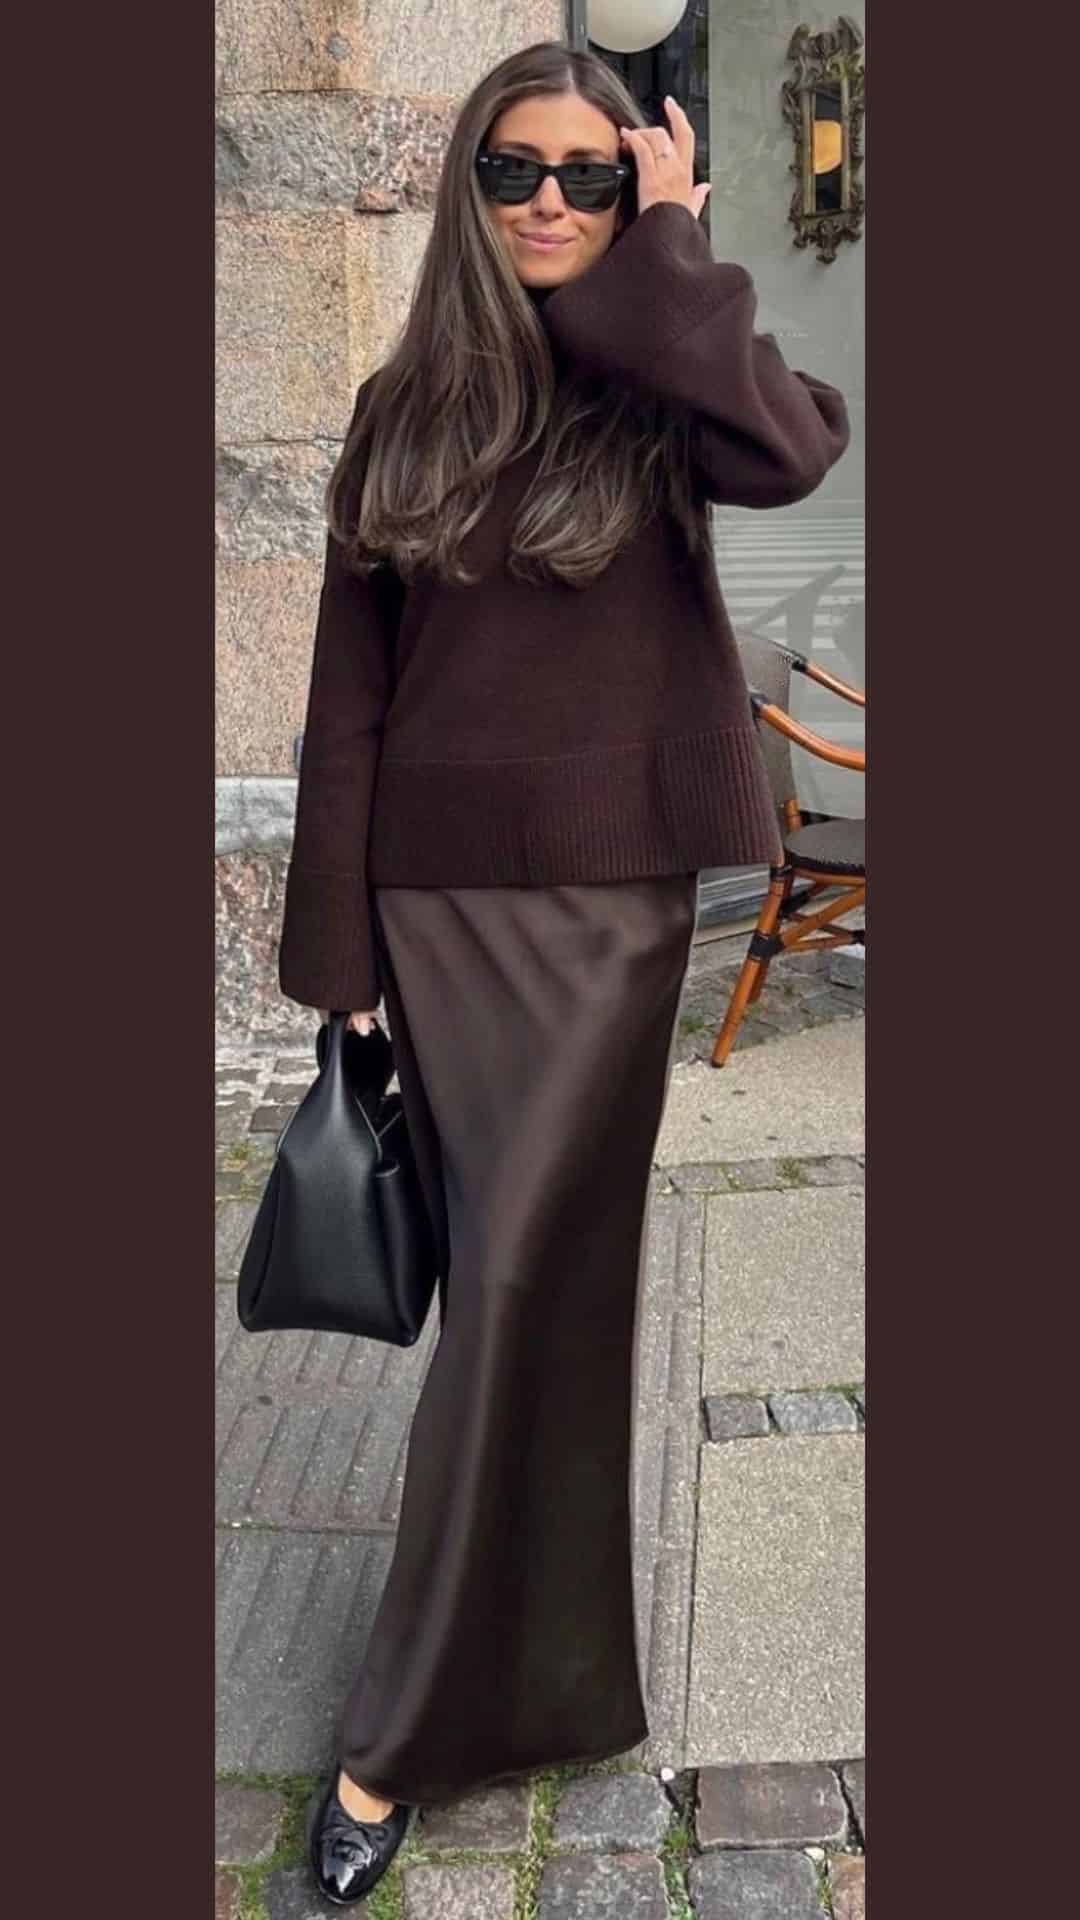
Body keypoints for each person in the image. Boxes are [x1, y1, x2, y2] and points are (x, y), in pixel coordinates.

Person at [277, 38, 849, 1907]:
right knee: (519, 1306)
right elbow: (348, 700)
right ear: (469, 186)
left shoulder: (662, 383)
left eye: (588, 176)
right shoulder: (402, 405)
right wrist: (337, 951)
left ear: (632, 193)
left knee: (528, 1287)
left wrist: (674, 250)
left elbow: (793, 446)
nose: (547, 201)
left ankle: (393, 1742)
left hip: (606, 916)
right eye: (515, 170)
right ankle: (552, 1679)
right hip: (438, 906)